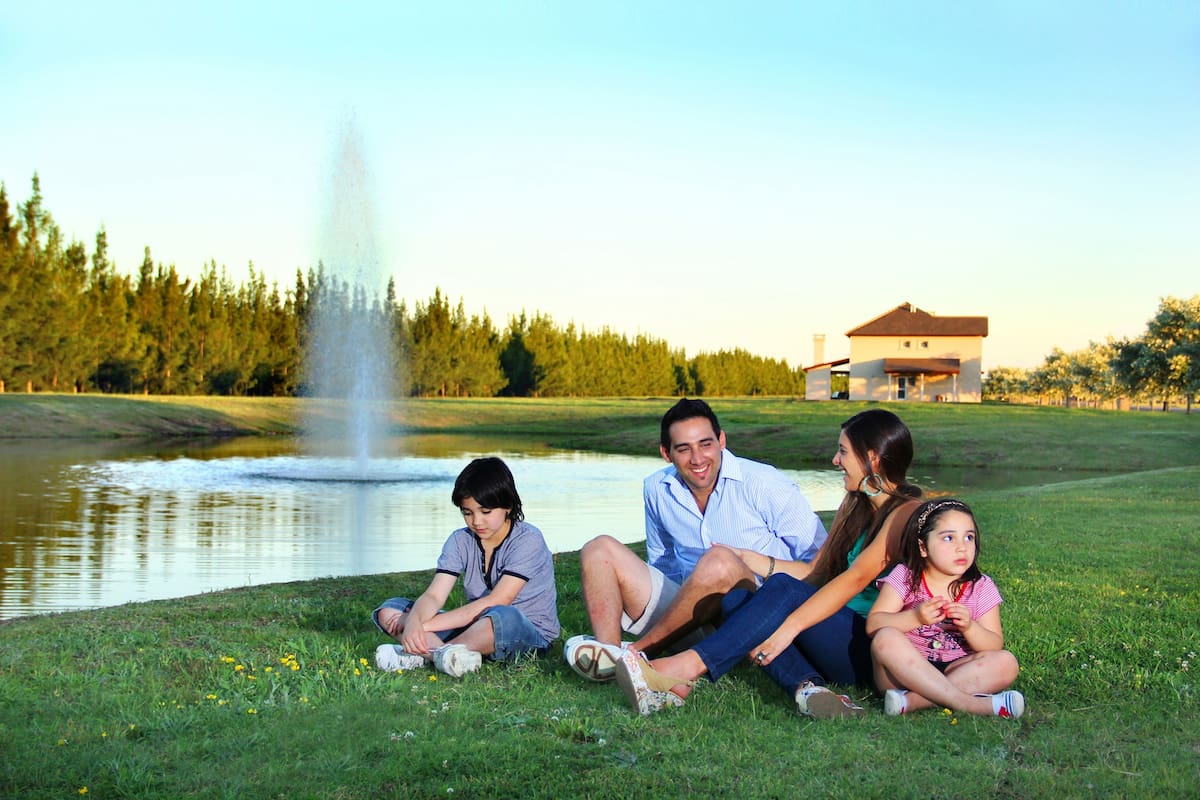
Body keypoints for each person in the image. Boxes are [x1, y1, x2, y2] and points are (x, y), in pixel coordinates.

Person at [612, 408, 922, 717]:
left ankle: (682, 667)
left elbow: (853, 579)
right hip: (834, 639)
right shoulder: (855, 506)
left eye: (842, 452)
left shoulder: (906, 512)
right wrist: (748, 558)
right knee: (739, 600)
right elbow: (817, 573)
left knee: (783, 590)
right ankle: (809, 691)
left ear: (873, 459)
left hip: (873, 649)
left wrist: (790, 626)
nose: (835, 460)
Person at [564, 398, 827, 682]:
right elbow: (663, 561)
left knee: (719, 561)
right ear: (666, 453)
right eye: (683, 449)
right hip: (690, 614)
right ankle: (609, 656)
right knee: (598, 548)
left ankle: (637, 655)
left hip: (753, 616)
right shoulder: (656, 488)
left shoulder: (765, 483)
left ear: (721, 440)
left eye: (705, 444)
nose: (698, 458)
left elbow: (820, 567)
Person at [372, 457, 559, 677]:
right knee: (390, 609)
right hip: (475, 627)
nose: (476, 522)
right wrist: (413, 620)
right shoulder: (460, 540)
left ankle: (426, 655)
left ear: (507, 506)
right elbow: (433, 596)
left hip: (525, 633)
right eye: (467, 513)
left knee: (502, 616)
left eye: (485, 512)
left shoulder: (529, 539)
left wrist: (420, 626)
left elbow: (498, 601)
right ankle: (448, 656)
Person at [866, 498, 1024, 718]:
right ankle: (970, 704)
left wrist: (970, 627)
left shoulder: (980, 586)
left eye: (969, 537)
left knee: (1006, 662)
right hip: (902, 673)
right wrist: (916, 617)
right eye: (948, 538)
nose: (962, 547)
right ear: (923, 547)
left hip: (957, 670)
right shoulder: (906, 576)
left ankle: (911, 702)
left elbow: (994, 643)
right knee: (885, 638)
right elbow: (874, 624)